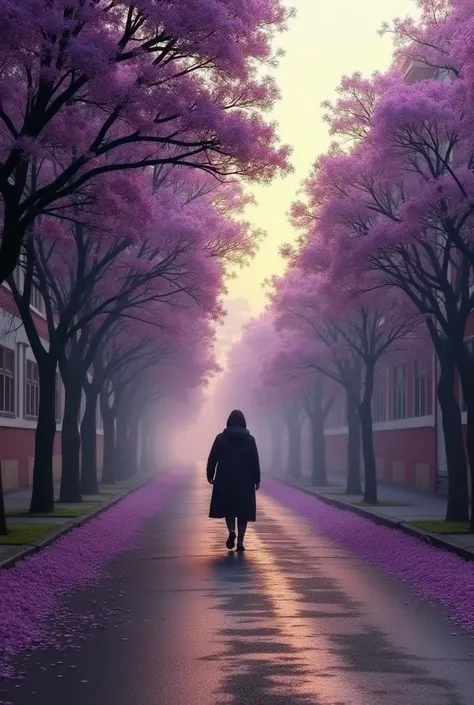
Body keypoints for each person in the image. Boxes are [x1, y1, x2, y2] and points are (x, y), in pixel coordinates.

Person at [206, 409, 261, 552]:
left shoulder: (220, 438)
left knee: (229, 508)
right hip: (245, 480)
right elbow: (254, 461)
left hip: (225, 478)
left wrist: (210, 474)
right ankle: (241, 542)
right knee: (243, 512)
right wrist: (256, 479)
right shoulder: (250, 440)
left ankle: (231, 531)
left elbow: (213, 458)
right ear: (243, 423)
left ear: (229, 422)